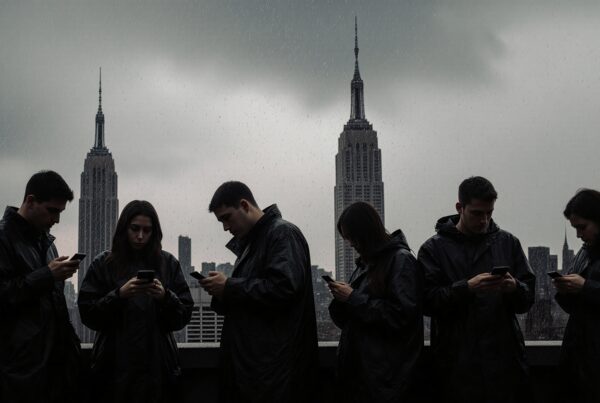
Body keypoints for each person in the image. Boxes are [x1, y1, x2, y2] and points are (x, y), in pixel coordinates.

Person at [418, 176, 535, 403]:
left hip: (503, 363)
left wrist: (514, 288)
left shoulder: (508, 243)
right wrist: (467, 288)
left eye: (489, 213)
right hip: (456, 365)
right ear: (459, 208)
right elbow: (426, 302)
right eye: (477, 213)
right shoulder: (433, 249)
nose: (485, 220)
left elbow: (527, 299)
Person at [200, 181, 319, 403]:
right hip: (259, 370)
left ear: (244, 205)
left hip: (273, 374)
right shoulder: (254, 243)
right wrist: (222, 292)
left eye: (226, 217)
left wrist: (229, 286)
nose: (225, 227)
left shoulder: (282, 233)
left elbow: (284, 288)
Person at [78, 200, 193, 403]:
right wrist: (119, 295)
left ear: (154, 232)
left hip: (158, 370)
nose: (140, 236)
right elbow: (88, 315)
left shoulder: (168, 264)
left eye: (147, 230)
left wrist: (165, 297)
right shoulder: (103, 264)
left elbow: (183, 317)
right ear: (124, 229)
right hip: (113, 370)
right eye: (135, 229)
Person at [0, 170, 82, 403]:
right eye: (52, 211)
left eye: (60, 213)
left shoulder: (46, 243)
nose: (56, 220)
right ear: (30, 201)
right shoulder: (3, 238)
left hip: (52, 372)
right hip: (19, 375)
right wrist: (47, 275)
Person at [328, 202, 423, 402]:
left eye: (352, 237)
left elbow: (401, 317)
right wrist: (343, 299)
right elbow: (354, 320)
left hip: (385, 380)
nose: (350, 244)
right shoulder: (368, 264)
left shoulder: (400, 261)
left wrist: (352, 297)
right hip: (366, 377)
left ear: (365, 232)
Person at [554, 189, 600, 402]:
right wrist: (566, 291)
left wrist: (585, 286)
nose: (579, 235)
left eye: (582, 227)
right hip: (580, 361)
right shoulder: (585, 253)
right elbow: (578, 308)